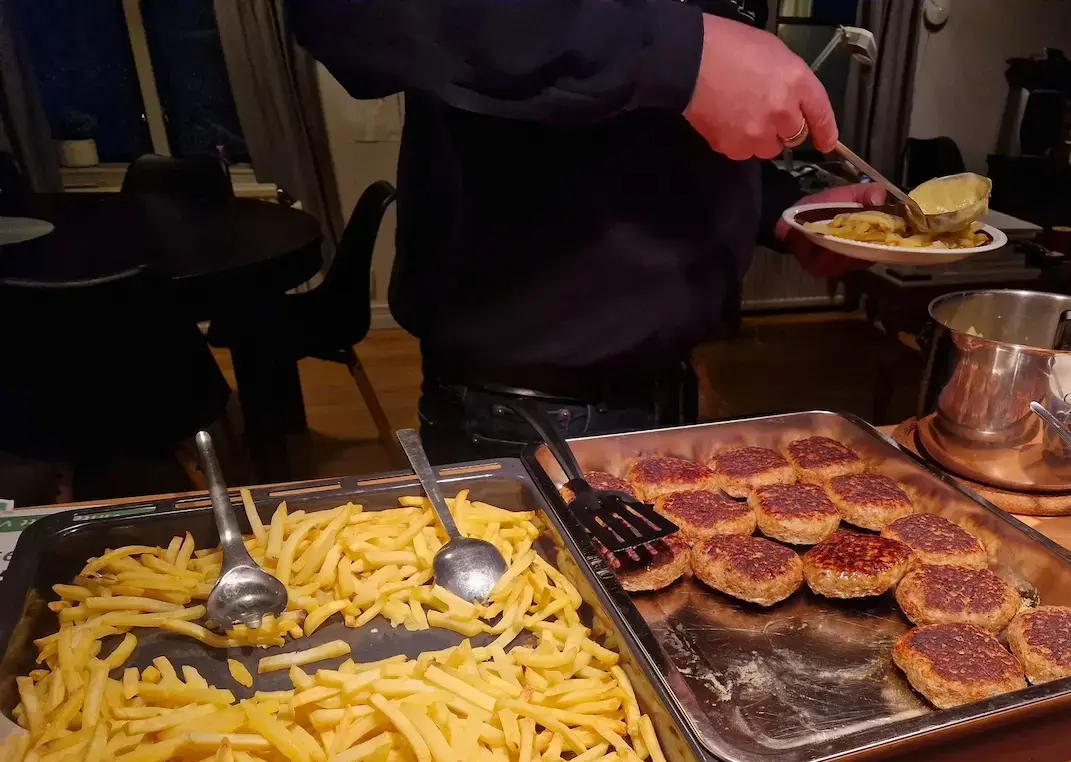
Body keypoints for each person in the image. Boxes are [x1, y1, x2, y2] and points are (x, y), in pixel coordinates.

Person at [287, 0, 884, 461]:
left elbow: (660, 127)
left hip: (673, 383)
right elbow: (349, 16)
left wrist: (782, 211)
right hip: (521, 410)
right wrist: (681, 52)